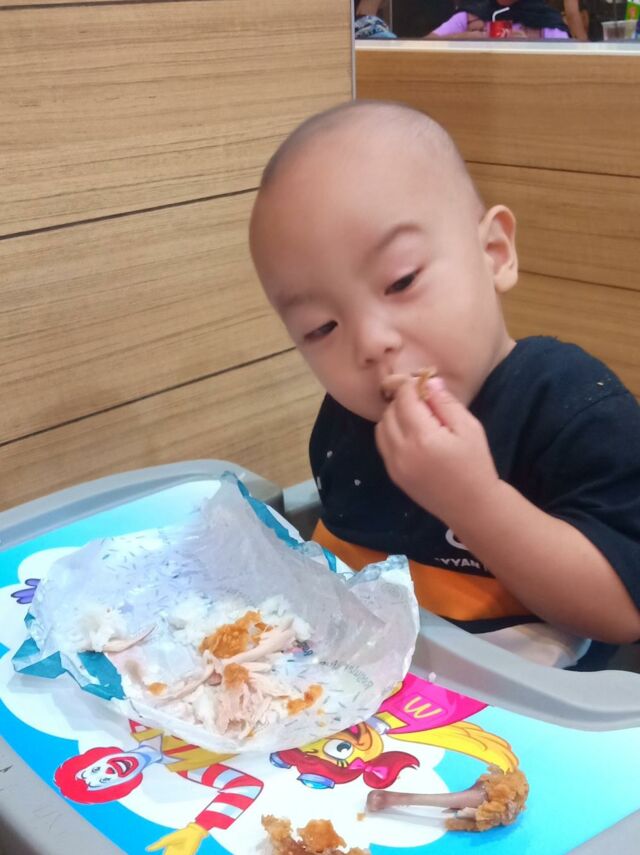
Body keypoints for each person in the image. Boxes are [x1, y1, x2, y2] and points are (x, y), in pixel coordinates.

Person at [249, 100, 640, 668]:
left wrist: (473, 502)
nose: (370, 342)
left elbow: (623, 612)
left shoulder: (573, 409)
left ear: (494, 254)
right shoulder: (345, 424)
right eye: (321, 327)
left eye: (401, 281)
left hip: (524, 711)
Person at [427, 0, 571, 39]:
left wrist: (529, 48)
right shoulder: (470, 16)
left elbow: (564, 66)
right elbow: (426, 46)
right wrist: (463, 39)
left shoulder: (546, 21)